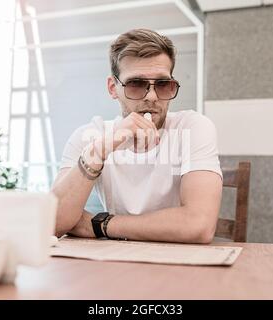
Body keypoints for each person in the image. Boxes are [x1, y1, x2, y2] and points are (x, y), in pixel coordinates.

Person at [51, 28, 222, 244]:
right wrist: (99, 151)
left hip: (181, 265)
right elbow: (52, 223)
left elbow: (198, 225)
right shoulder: (90, 136)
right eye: (136, 84)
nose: (151, 96)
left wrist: (99, 224)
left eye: (162, 84)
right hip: (117, 262)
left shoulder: (193, 127)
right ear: (113, 88)